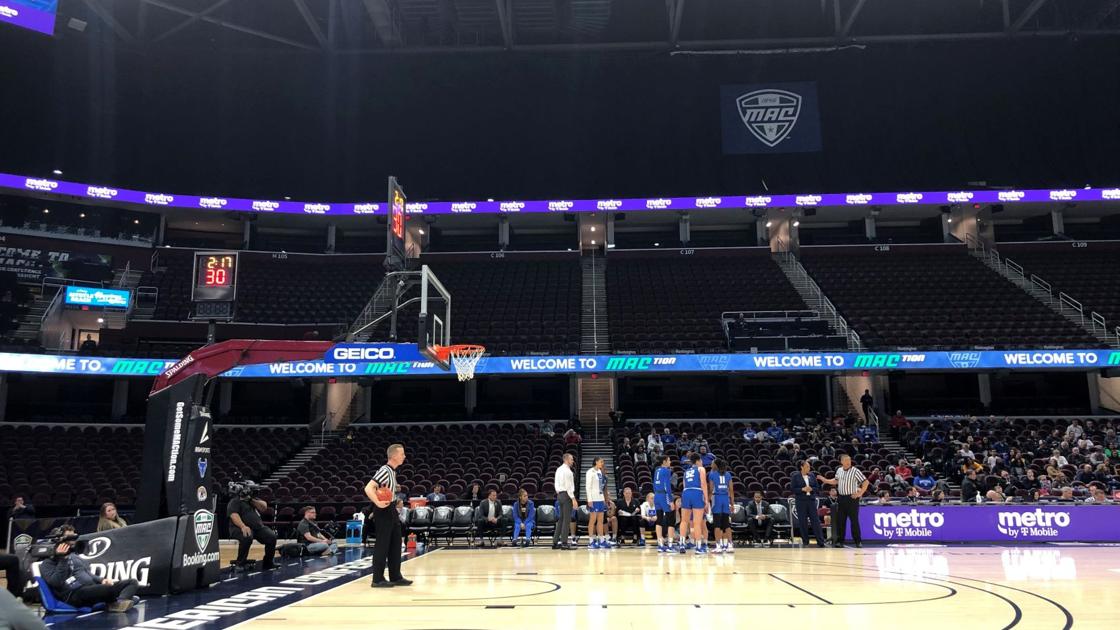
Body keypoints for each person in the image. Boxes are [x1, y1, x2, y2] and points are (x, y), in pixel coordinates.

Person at [39, 526, 138, 612]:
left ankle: (118, 602)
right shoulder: (46, 564)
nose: (73, 542)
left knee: (132, 582)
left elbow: (86, 573)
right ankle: (116, 601)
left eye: (74, 538)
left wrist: (101, 580)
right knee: (108, 590)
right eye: (69, 539)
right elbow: (56, 582)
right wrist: (63, 559)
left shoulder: (72, 556)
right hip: (73, 594)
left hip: (88, 588)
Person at [364, 443, 411, 588]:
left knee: (396, 543)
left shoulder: (393, 472)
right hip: (383, 510)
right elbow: (368, 487)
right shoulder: (385, 470)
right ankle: (377, 579)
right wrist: (377, 502)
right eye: (402, 454)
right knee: (382, 544)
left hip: (390, 509)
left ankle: (395, 576)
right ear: (394, 456)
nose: (404, 456)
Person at [817, 454, 869, 548]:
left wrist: (860, 493)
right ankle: (840, 541)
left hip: (852, 498)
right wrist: (825, 480)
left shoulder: (855, 471)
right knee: (841, 521)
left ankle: (858, 541)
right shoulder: (839, 470)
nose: (848, 462)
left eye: (849, 460)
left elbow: (866, 482)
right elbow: (836, 481)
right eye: (846, 460)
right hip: (841, 498)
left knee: (854, 521)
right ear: (841, 462)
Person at [227, 489, 277, 571]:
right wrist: (243, 526)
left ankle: (268, 563)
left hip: (258, 528)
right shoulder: (234, 501)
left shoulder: (252, 500)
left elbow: (264, 507)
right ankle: (240, 564)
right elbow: (233, 515)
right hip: (238, 528)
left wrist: (250, 499)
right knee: (247, 537)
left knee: (271, 537)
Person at [790, 460, 826, 547]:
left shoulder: (812, 475)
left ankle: (820, 541)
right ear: (801, 467)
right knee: (803, 522)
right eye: (807, 467)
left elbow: (817, 488)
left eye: (809, 467)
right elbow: (792, 489)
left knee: (816, 521)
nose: (809, 468)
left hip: (811, 501)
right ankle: (805, 541)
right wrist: (802, 489)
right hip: (801, 501)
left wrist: (811, 489)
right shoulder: (795, 476)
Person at [680, 452, 710, 555]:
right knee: (697, 522)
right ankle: (698, 547)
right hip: (696, 492)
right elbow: (703, 484)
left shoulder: (686, 471)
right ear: (698, 461)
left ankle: (682, 544)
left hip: (686, 493)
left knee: (684, 521)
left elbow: (684, 486)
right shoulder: (701, 469)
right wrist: (706, 500)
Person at [585, 457, 613, 549]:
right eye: (601, 462)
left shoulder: (600, 472)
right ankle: (591, 541)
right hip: (593, 499)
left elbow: (602, 487)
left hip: (600, 499)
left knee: (601, 520)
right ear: (596, 462)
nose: (603, 463)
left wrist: (604, 499)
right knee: (593, 520)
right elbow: (588, 487)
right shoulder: (590, 472)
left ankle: (601, 540)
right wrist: (589, 499)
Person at [708, 460, 734, 553]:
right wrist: (732, 504)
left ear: (716, 465)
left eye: (712, 463)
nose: (711, 465)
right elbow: (731, 490)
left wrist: (707, 501)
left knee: (717, 525)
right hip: (725, 499)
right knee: (727, 524)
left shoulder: (712, 474)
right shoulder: (728, 475)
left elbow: (711, 490)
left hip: (716, 498)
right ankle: (730, 545)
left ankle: (718, 546)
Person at [552, 452, 577, 550]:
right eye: (571, 459)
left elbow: (555, 483)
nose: (573, 461)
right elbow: (569, 487)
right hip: (567, 495)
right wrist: (573, 499)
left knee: (561, 519)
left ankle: (555, 542)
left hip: (560, 495)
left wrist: (559, 492)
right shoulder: (568, 472)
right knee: (567, 520)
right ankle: (564, 543)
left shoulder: (558, 469)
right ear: (566, 460)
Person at [653, 454, 676, 552]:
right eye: (669, 460)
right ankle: (670, 546)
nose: (670, 462)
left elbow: (654, 484)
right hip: (664, 495)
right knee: (671, 520)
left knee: (659, 520)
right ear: (664, 462)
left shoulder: (657, 470)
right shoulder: (667, 471)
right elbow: (667, 486)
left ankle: (660, 544)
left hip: (656, 495)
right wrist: (670, 501)